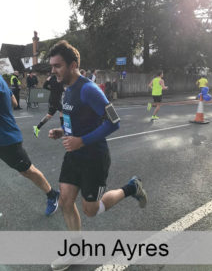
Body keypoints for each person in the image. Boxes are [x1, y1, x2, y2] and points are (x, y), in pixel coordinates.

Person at [47, 40, 147, 271]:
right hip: (74, 155)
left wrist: (81, 140)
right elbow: (81, 120)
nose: (53, 71)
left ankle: (132, 187)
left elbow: (114, 122)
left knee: (90, 210)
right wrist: (64, 132)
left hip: (94, 158)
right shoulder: (67, 88)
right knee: (65, 201)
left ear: (73, 65)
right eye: (52, 66)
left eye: (57, 66)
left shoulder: (88, 89)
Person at [0, 74, 59, 216]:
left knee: (27, 170)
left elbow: (13, 102)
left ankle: (52, 194)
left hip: (6, 139)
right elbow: (14, 102)